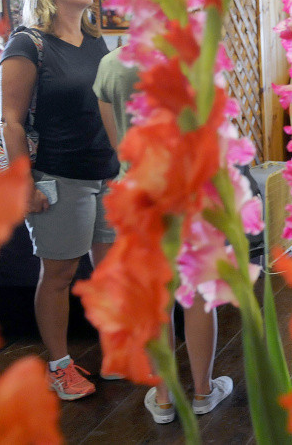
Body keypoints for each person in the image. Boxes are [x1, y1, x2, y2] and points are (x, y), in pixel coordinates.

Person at [0, 0, 119, 400]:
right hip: (59, 177)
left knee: (109, 270)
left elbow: (103, 109)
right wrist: (24, 184)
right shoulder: (27, 44)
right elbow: (10, 121)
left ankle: (115, 353)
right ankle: (59, 366)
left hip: (106, 174)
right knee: (60, 274)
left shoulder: (94, 40)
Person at [93, 47, 233, 423]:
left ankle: (164, 397)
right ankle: (203, 391)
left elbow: (118, 143)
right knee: (198, 294)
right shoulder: (195, 56)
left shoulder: (110, 65)